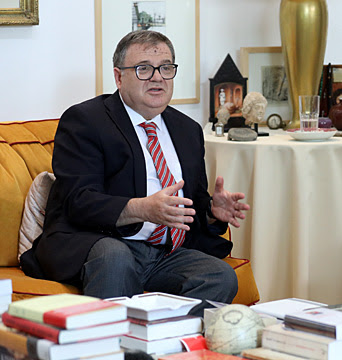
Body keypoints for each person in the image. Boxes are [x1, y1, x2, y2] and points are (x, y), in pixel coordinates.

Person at [21, 30, 250, 313]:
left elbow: (190, 205)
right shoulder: (86, 121)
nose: (157, 78)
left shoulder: (187, 130)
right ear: (119, 77)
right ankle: (117, 342)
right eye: (144, 69)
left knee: (219, 275)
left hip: (163, 254)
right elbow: (77, 200)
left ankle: (165, 340)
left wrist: (212, 212)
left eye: (166, 68)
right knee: (115, 256)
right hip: (100, 243)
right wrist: (142, 209)